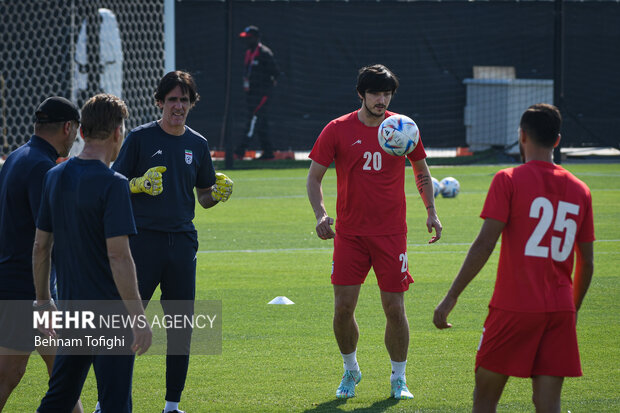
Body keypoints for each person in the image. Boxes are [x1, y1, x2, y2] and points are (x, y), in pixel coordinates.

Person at [433, 103, 595, 412]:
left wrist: (451, 297)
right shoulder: (581, 190)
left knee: (485, 400)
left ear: (521, 136)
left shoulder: (508, 180)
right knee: (548, 405)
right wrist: (571, 310)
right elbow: (587, 262)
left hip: (515, 307)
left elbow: (484, 244)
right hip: (560, 309)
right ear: (557, 140)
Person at [306, 64, 442, 400]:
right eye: (375, 93)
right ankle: (350, 370)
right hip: (350, 235)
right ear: (361, 94)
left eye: (387, 94)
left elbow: (421, 170)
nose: (382, 100)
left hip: (391, 233)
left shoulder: (403, 128)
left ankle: (399, 378)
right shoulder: (337, 129)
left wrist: (431, 212)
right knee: (342, 309)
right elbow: (314, 178)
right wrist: (321, 214)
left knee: (395, 308)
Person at [110, 70, 233, 413]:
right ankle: (111, 402)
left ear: (192, 103)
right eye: (172, 99)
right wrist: (137, 184)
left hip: (181, 246)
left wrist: (218, 194)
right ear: (159, 102)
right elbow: (114, 185)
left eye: (184, 100)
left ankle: (171, 406)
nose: (178, 106)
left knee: (181, 327)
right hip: (142, 244)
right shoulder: (138, 138)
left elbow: (204, 196)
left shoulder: (198, 143)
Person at [33, 93, 152, 412]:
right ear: (118, 133)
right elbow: (119, 257)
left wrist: (44, 302)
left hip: (73, 313)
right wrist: (139, 318)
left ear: (82, 132)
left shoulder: (54, 176)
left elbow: (41, 246)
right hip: (110, 317)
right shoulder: (114, 184)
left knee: (59, 396)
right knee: (115, 403)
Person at [0, 96, 83, 413]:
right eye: (75, 131)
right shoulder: (41, 167)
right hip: (28, 290)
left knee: (63, 375)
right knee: (8, 376)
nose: (75, 139)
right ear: (67, 127)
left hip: (24, 286)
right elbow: (46, 238)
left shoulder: (17, 157)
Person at [234, 25, 280, 160]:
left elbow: (276, 73)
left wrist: (267, 90)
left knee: (253, 121)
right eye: (245, 38)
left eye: (249, 38)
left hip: (262, 96)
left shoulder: (264, 53)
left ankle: (239, 152)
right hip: (251, 95)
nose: (246, 41)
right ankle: (268, 152)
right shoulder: (249, 53)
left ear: (256, 38)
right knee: (261, 123)